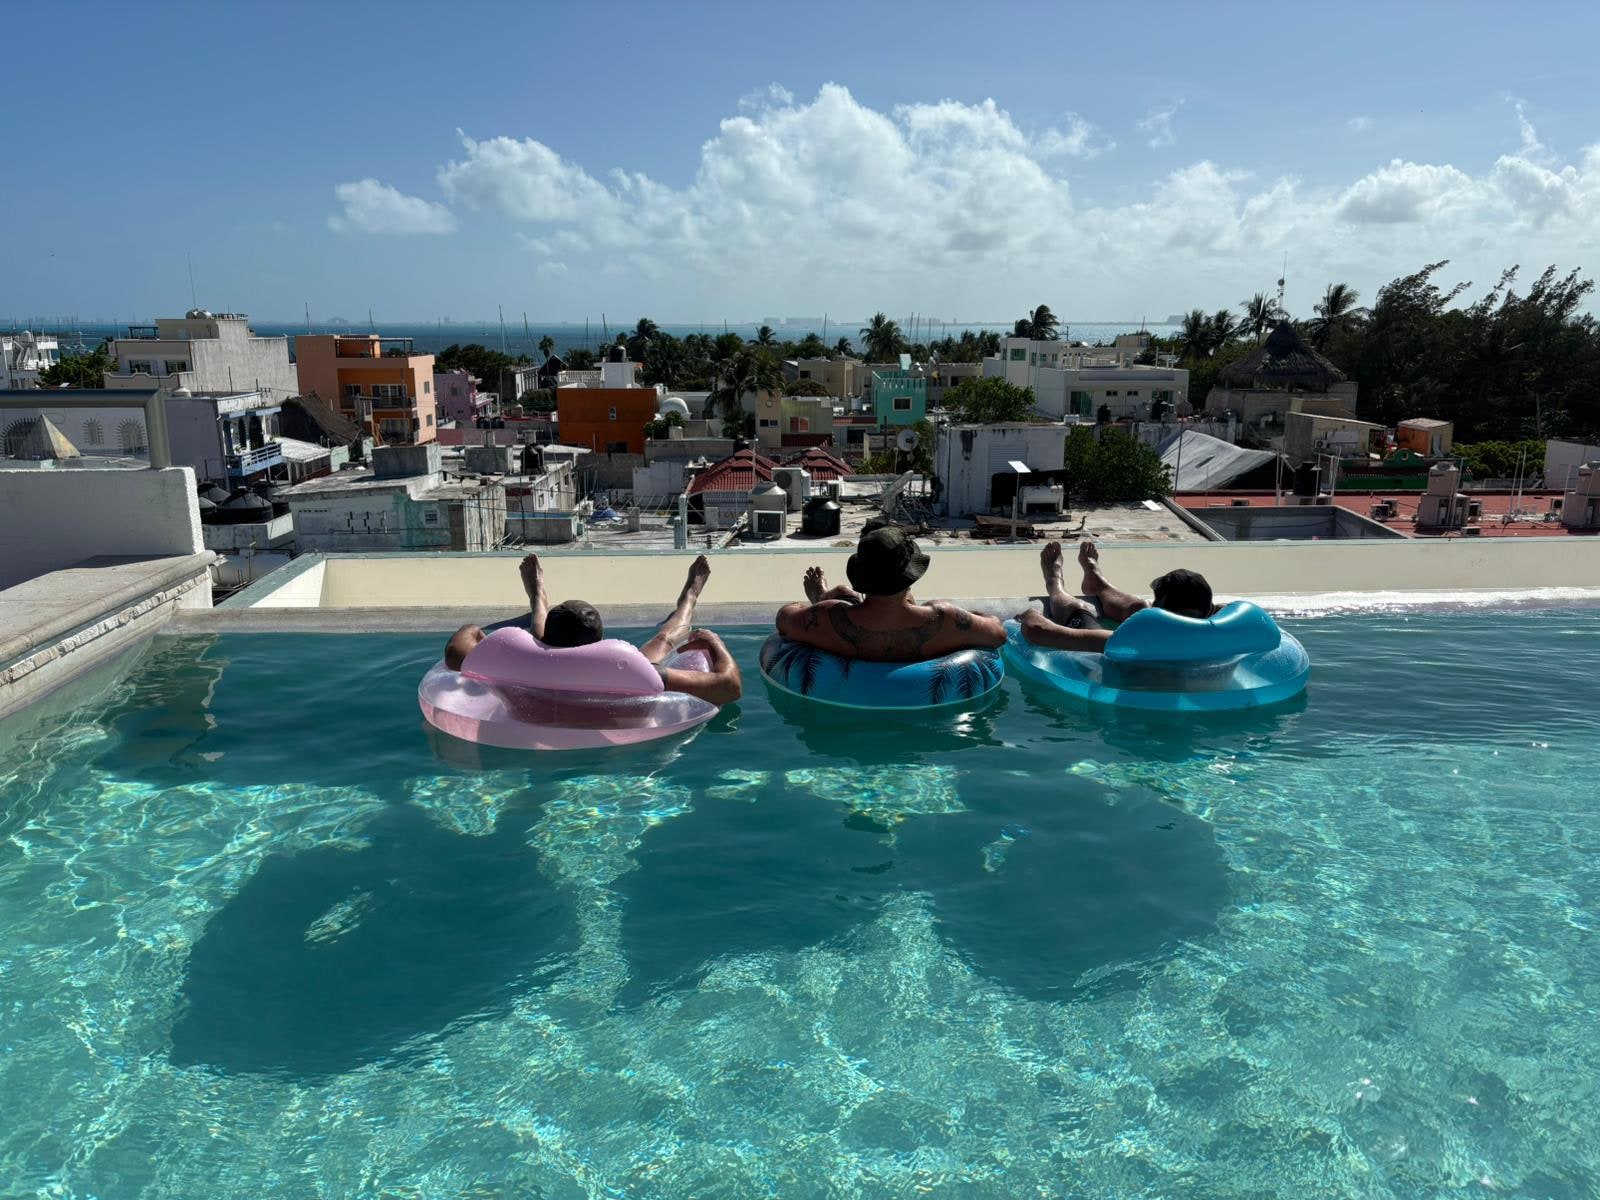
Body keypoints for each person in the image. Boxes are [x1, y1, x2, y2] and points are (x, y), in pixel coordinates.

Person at [443, 553, 742, 704]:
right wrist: (715, 643)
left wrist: (474, 630)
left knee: (538, 644)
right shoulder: (625, 667)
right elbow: (728, 688)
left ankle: (538, 597)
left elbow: (457, 649)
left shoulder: (519, 659)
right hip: (610, 688)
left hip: (534, 670)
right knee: (664, 639)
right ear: (598, 643)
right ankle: (689, 597)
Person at [775, 525, 1007, 662]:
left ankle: (825, 594)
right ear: (910, 577)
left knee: (842, 596)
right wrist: (976, 616)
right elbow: (998, 634)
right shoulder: (945, 618)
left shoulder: (825, 617)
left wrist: (821, 602)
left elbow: (784, 618)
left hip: (842, 636)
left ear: (862, 577)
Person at [1017, 538, 1219, 651]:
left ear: (1158, 613)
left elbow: (1037, 631)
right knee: (1140, 607)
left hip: (1131, 694)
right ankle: (1097, 583)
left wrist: (1029, 615)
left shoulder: (1132, 643)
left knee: (1077, 609)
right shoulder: (1221, 637)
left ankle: (1055, 584)